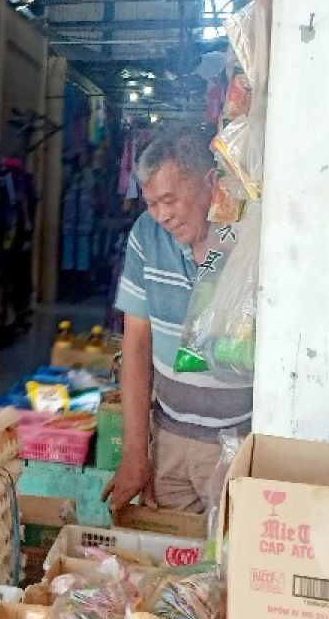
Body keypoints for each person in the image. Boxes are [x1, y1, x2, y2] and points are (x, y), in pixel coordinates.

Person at [102, 133, 254, 514]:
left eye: (170, 200)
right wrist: (136, 454)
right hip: (168, 440)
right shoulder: (147, 236)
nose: (161, 215)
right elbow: (136, 347)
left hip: (236, 442)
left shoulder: (248, 239)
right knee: (173, 565)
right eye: (152, 203)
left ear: (209, 182)